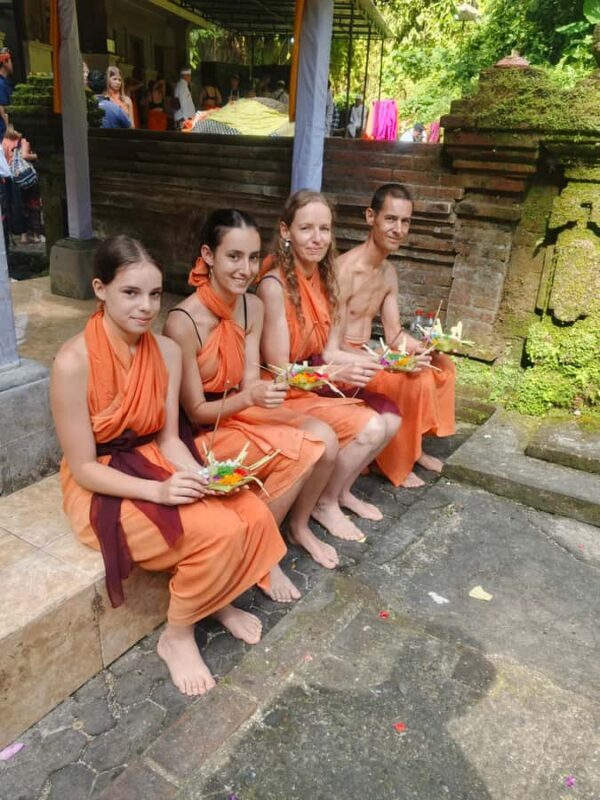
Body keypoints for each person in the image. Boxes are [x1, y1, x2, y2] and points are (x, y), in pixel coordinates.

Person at [51, 235, 290, 697]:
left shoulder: (165, 351)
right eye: (131, 293)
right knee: (214, 531)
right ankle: (177, 636)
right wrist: (159, 492)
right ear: (100, 289)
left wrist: (204, 475)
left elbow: (166, 439)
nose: (145, 307)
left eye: (155, 294)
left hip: (154, 456)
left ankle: (217, 601)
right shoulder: (71, 362)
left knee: (250, 509)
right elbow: (83, 468)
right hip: (103, 481)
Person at [164, 209, 340, 570]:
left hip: (240, 408)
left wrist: (269, 390)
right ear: (208, 256)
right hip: (204, 428)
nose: (246, 269)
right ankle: (263, 556)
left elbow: (248, 383)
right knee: (302, 450)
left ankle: (298, 525)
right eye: (234, 256)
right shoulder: (181, 322)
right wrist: (251, 397)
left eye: (253, 257)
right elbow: (195, 410)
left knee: (326, 437)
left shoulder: (252, 305)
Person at [257, 191, 400, 543]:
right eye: (306, 228)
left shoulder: (325, 280)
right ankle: (310, 514)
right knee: (367, 427)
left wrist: (372, 360)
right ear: (286, 231)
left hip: (313, 379)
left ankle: (329, 500)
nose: (317, 238)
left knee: (382, 422)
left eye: (325, 228)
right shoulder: (274, 286)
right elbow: (280, 371)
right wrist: (335, 374)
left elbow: (328, 350)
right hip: (281, 393)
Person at [336, 183, 456, 488]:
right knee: (409, 380)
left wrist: (426, 347)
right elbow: (329, 343)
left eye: (405, 221)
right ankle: (397, 460)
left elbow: (393, 335)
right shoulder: (345, 271)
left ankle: (413, 448)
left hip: (372, 354)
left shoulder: (388, 273)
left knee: (439, 366)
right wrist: (385, 362)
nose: (398, 229)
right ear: (370, 217)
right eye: (390, 219)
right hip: (345, 360)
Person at [2, 127, 43, 244]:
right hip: (27, 179)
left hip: (14, 180)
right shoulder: (23, 141)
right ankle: (36, 235)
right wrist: (36, 156)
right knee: (33, 204)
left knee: (20, 207)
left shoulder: (3, 143)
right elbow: (25, 156)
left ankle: (23, 236)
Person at [0, 48, 14, 139]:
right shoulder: (0, 83)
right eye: (10, 61)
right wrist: (8, 128)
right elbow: (1, 107)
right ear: (5, 62)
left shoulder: (5, 82)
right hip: (3, 133)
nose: (12, 64)